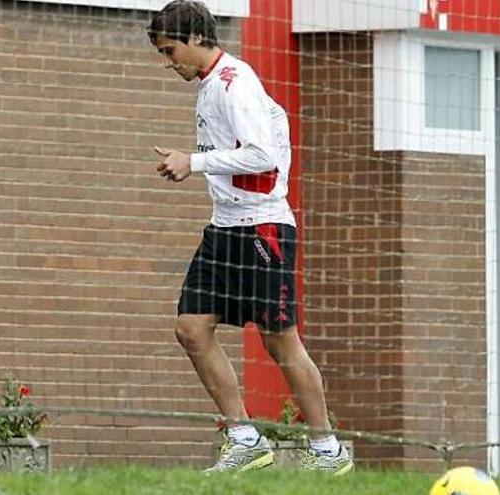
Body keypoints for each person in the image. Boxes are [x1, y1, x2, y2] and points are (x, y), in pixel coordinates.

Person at [147, 0, 353, 476]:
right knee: (191, 329)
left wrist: (192, 161)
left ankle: (327, 449)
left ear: (197, 38)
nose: (167, 60)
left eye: (170, 49)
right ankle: (244, 438)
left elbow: (262, 155)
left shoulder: (235, 84)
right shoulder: (211, 85)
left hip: (263, 227)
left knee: (280, 341)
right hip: (225, 226)